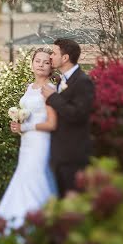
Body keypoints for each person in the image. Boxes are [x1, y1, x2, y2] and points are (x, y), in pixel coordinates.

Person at [0, 48, 58, 228]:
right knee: (23, 176)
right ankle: (18, 219)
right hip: (27, 142)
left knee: (34, 176)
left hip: (41, 142)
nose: (41, 65)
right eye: (38, 61)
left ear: (51, 68)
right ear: (31, 64)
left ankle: (35, 222)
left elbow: (52, 124)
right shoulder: (29, 88)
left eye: (46, 62)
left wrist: (25, 126)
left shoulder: (50, 89)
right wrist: (19, 127)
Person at [41, 38, 95, 197]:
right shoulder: (60, 81)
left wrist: (53, 98)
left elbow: (77, 114)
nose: (50, 56)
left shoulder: (83, 82)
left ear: (65, 58)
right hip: (58, 155)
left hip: (73, 155)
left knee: (73, 204)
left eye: (54, 53)